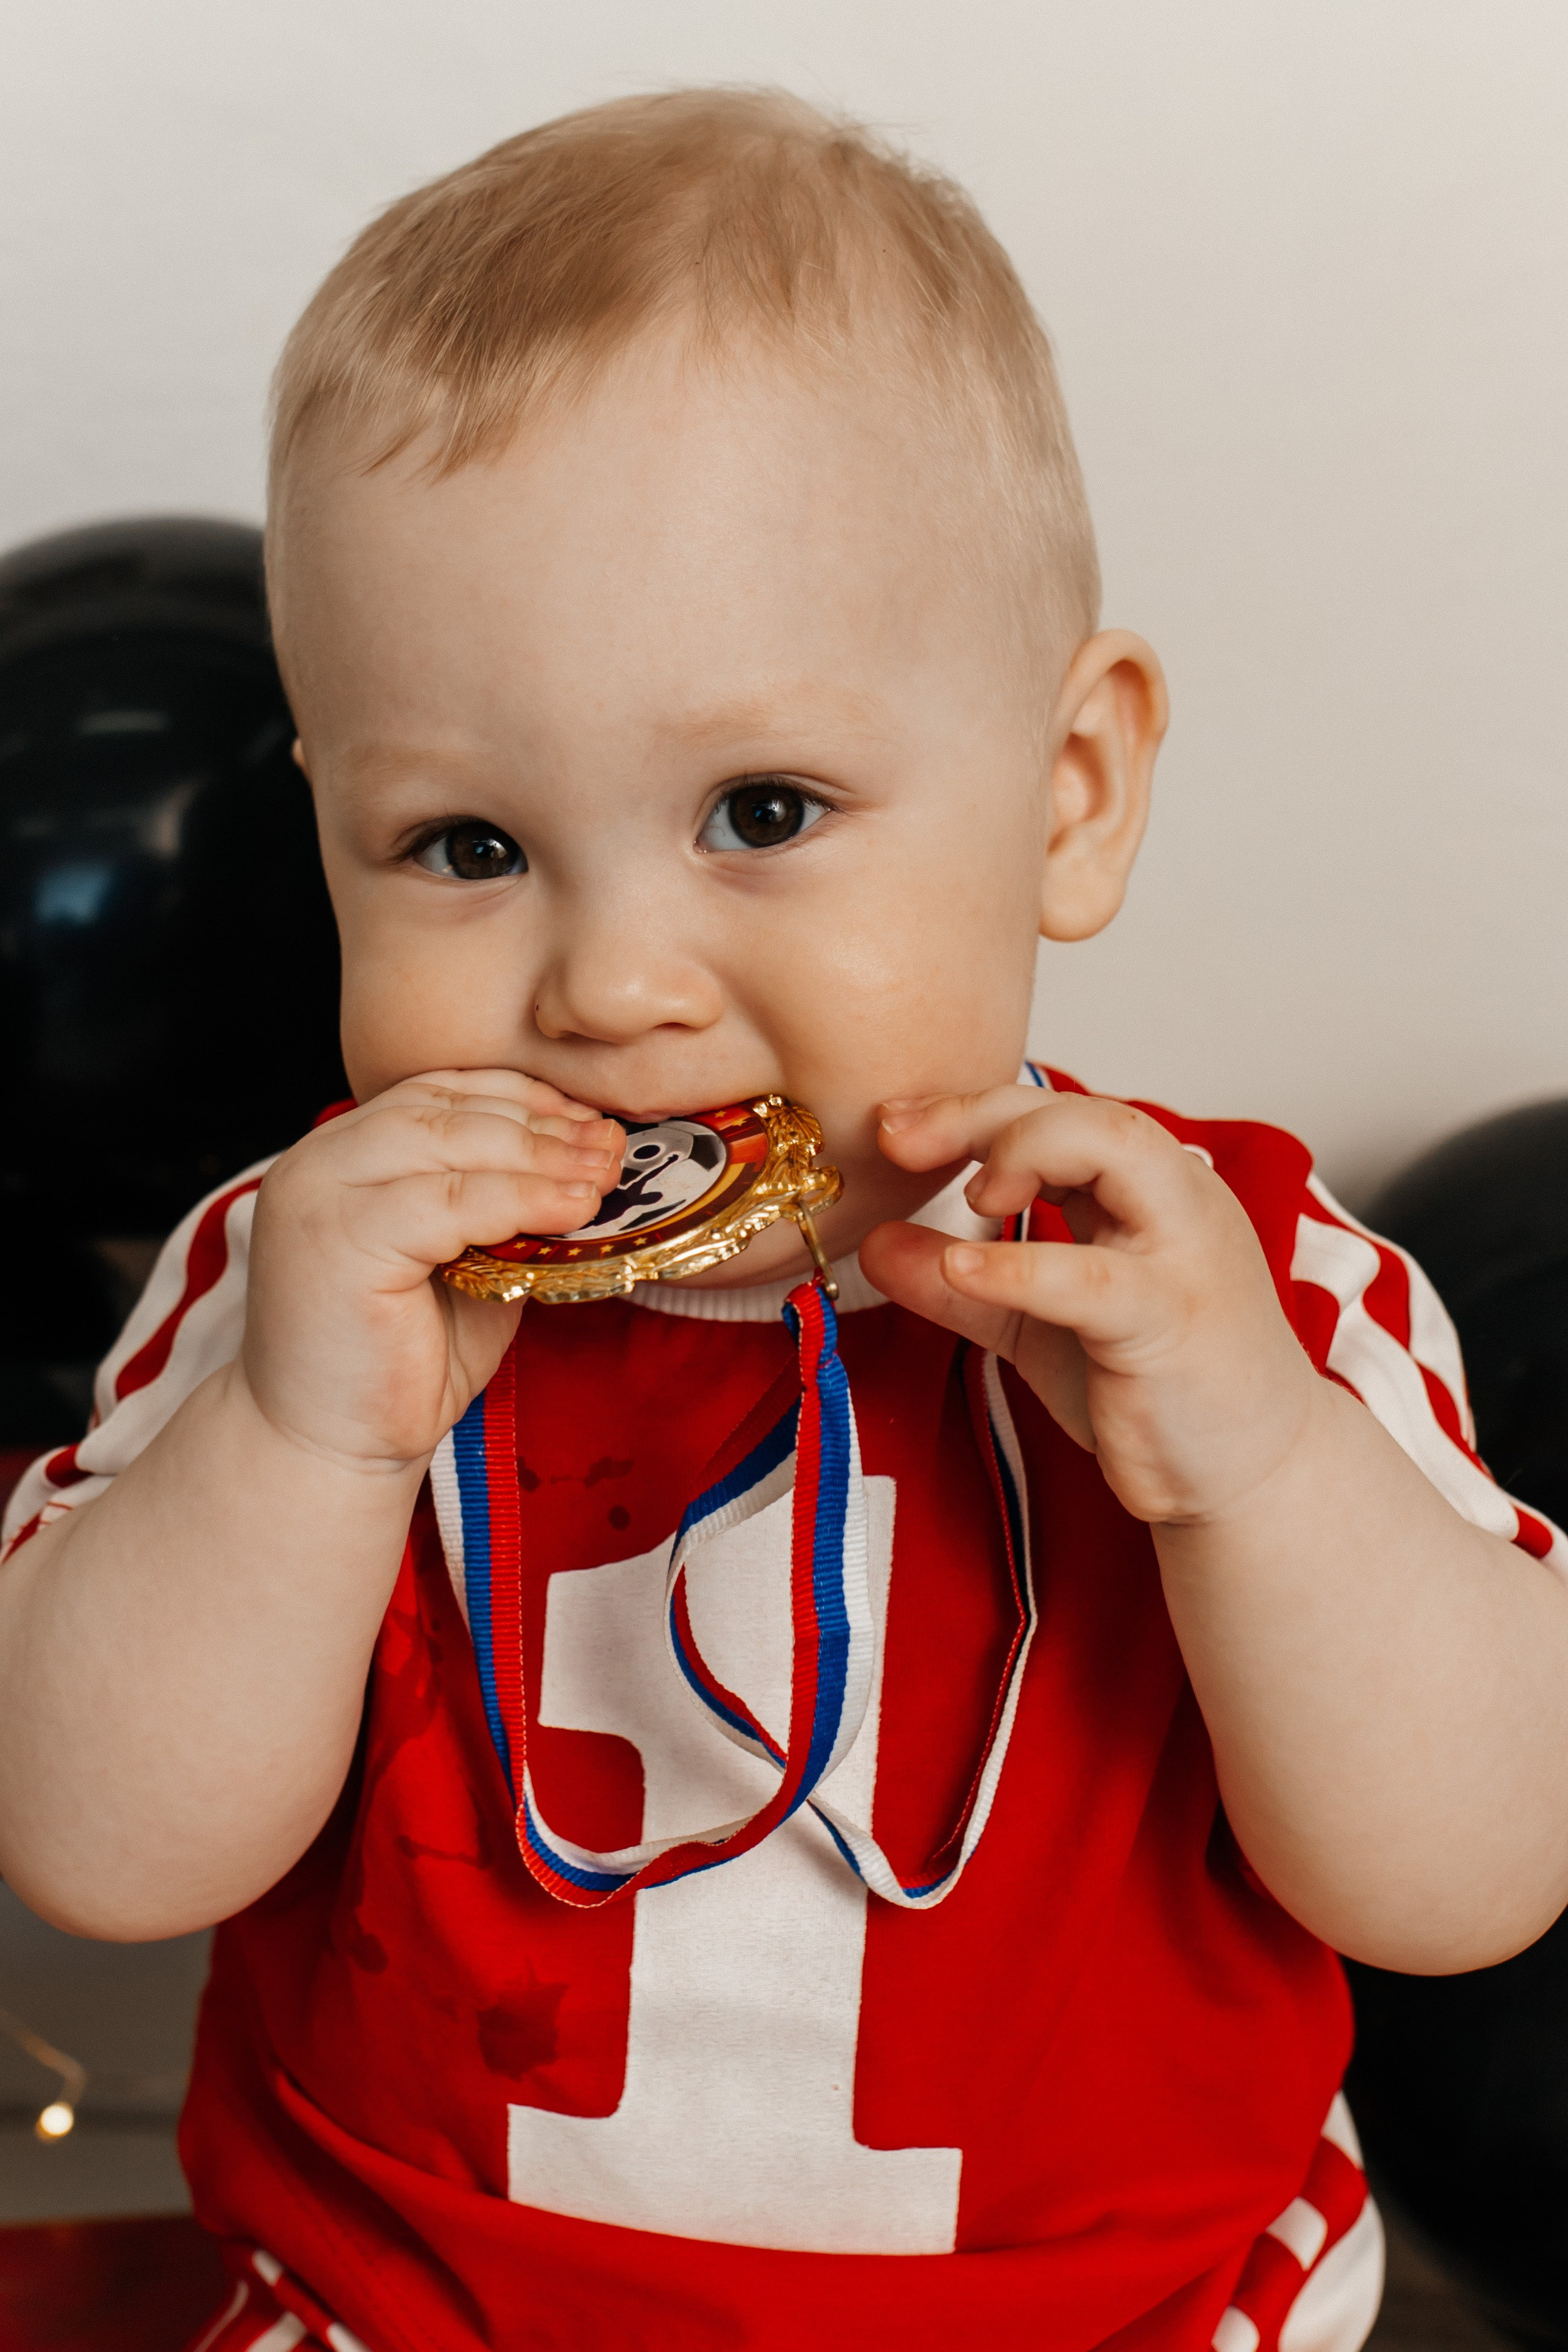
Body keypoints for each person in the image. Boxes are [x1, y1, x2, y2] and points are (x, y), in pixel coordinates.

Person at [2, 89, 1564, 2352]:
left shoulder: (1247, 1284)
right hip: (405, 2311)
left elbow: (1469, 1886)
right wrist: (299, 1448)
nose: (612, 986)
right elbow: (99, 1857)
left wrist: (1256, 1470)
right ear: (325, 834)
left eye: (761, 809)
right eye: (463, 847)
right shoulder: (308, 1281)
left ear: (1070, 796)